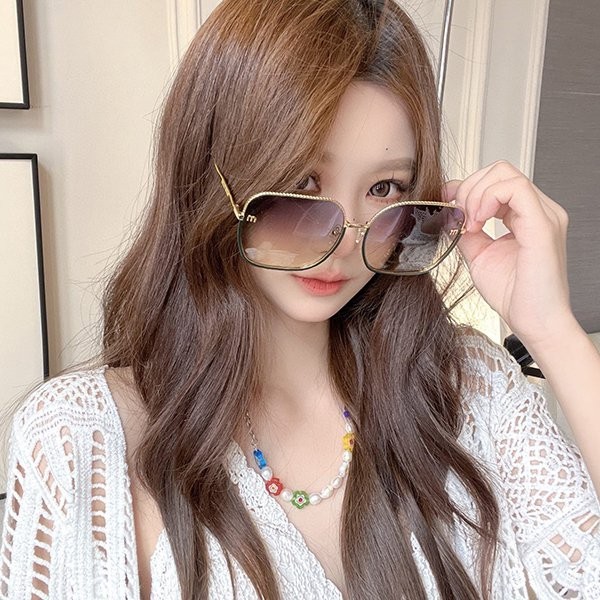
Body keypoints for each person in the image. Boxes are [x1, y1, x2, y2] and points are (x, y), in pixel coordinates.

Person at [1, 0, 599, 598]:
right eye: (303, 183)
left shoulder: (468, 384)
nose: (346, 240)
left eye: (384, 187)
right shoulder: (78, 440)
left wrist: (553, 332)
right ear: (212, 175)